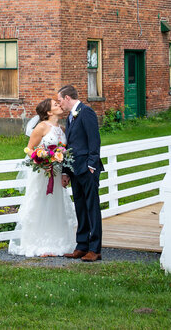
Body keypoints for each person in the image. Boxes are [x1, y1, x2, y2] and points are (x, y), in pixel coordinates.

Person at [7, 98, 77, 257]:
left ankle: (56, 243)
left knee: (55, 206)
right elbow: (29, 149)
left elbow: (64, 150)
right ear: (48, 112)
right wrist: (41, 159)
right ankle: (36, 243)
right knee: (40, 204)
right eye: (55, 104)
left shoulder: (61, 128)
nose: (59, 105)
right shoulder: (41, 127)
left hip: (56, 173)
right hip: (42, 173)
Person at [58, 84, 104, 262]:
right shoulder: (70, 117)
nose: (59, 104)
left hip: (87, 169)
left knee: (92, 208)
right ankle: (82, 245)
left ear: (68, 98)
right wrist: (66, 172)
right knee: (80, 207)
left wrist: (92, 165)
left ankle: (95, 249)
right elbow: (69, 147)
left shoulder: (86, 112)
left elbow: (94, 140)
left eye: (60, 100)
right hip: (75, 170)